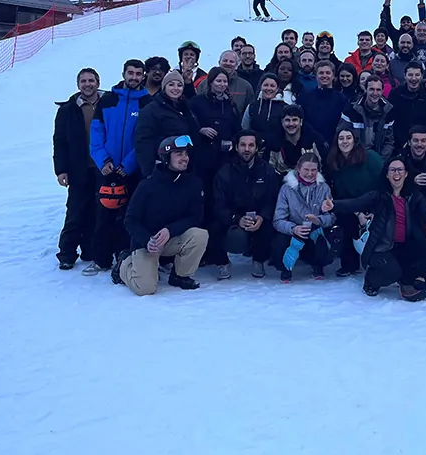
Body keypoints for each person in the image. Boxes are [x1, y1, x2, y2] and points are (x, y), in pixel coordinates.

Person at [322, 156, 426, 300]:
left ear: (406, 173)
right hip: (381, 248)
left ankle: (408, 278)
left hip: (405, 246)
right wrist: (334, 205)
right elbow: (356, 203)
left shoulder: (414, 196)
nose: (397, 174)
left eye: (400, 170)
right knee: (393, 272)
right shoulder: (378, 196)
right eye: (392, 170)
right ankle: (371, 281)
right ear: (387, 174)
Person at [116, 136, 208, 295]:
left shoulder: (194, 183)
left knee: (200, 235)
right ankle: (123, 265)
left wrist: (169, 230)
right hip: (148, 243)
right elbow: (130, 220)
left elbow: (195, 217)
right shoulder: (148, 185)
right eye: (178, 154)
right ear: (166, 157)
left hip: (173, 238)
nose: (184, 158)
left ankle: (180, 276)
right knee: (145, 289)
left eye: (186, 153)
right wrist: (147, 241)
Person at [85, 59, 149, 275]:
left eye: (138, 74)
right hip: (107, 169)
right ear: (123, 73)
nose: (134, 77)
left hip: (132, 170)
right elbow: (96, 133)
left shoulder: (147, 103)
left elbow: (144, 138)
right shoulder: (108, 100)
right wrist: (103, 161)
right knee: (103, 215)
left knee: (129, 215)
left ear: (143, 76)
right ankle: (101, 259)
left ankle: (125, 256)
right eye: (130, 73)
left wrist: (129, 164)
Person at [211, 131, 281, 279]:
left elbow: (272, 199)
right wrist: (236, 219)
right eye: (243, 145)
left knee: (270, 225)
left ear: (256, 148)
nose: (247, 149)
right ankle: (222, 263)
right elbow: (218, 204)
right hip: (233, 217)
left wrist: (263, 216)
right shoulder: (225, 172)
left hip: (258, 215)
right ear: (236, 147)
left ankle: (259, 260)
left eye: (251, 145)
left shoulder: (267, 170)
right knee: (212, 226)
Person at [53, 67, 101, 269]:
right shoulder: (68, 109)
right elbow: (60, 141)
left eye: (91, 80)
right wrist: (61, 169)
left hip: (101, 168)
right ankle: (67, 253)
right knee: (75, 211)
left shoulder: (106, 104)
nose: (87, 84)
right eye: (83, 81)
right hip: (78, 168)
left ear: (97, 83)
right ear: (78, 84)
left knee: (96, 211)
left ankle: (89, 249)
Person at [324, 126, 385, 276]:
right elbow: (340, 194)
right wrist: (358, 213)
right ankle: (349, 264)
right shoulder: (335, 163)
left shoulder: (370, 157)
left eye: (348, 138)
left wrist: (373, 211)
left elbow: (385, 182)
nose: (345, 142)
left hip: (377, 202)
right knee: (345, 221)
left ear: (355, 140)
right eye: (341, 138)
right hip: (353, 206)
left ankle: (379, 263)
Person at [272, 153, 336, 282]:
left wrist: (318, 220)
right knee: (279, 245)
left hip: (315, 230)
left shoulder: (324, 188)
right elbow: (278, 220)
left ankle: (317, 264)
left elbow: (332, 217)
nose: (310, 174)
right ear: (298, 169)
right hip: (293, 231)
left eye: (313, 170)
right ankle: (286, 267)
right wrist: (294, 228)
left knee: (326, 244)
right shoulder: (286, 189)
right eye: (306, 170)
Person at [134, 70, 200, 179]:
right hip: (162, 167)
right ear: (164, 87)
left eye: (179, 85)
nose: (175, 88)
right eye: (171, 84)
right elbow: (143, 141)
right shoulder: (151, 110)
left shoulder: (186, 107)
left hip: (185, 166)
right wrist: (149, 170)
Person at [189, 67, 241, 190]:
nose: (222, 84)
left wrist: (232, 142)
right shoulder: (197, 102)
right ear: (211, 82)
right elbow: (187, 122)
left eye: (225, 81)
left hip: (223, 157)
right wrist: (200, 130)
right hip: (201, 156)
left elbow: (237, 129)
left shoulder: (230, 105)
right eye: (218, 81)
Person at [343, 75, 396, 161]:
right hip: (354, 159)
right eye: (371, 89)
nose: (375, 93)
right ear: (366, 89)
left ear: (382, 91)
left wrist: (380, 161)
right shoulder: (351, 109)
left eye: (378, 90)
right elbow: (342, 135)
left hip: (378, 159)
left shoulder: (388, 111)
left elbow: (389, 142)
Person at [268, 103, 329, 174]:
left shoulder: (315, 141)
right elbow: (269, 170)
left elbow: (323, 167)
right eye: (287, 120)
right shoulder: (273, 143)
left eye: (294, 120)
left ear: (301, 122)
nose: (291, 124)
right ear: (282, 122)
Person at [298, 60, 351, 142]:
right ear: (316, 76)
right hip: (311, 143)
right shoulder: (305, 98)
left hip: (334, 144)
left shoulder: (342, 99)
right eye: (321, 73)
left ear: (333, 76)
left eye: (328, 73)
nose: (324, 75)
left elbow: (344, 124)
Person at [388, 62, 426, 145]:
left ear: (422, 76)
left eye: (417, 75)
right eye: (410, 75)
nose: (414, 78)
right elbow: (392, 120)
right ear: (405, 76)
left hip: (424, 141)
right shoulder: (395, 93)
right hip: (401, 141)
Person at [241, 73, 288, 155]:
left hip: (277, 154)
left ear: (277, 89)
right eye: (266, 85)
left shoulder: (284, 108)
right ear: (261, 87)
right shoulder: (252, 106)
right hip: (255, 153)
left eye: (272, 86)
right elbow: (245, 128)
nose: (269, 88)